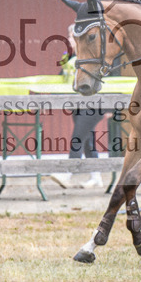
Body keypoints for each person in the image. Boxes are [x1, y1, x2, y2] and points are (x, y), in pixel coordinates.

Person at [49, 26, 111, 189]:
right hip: (78, 105)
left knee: (78, 137)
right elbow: (61, 79)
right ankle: (96, 177)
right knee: (87, 140)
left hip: (94, 105)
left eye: (71, 36)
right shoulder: (69, 58)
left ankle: (68, 173)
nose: (69, 40)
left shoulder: (93, 57)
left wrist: (111, 107)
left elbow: (107, 79)